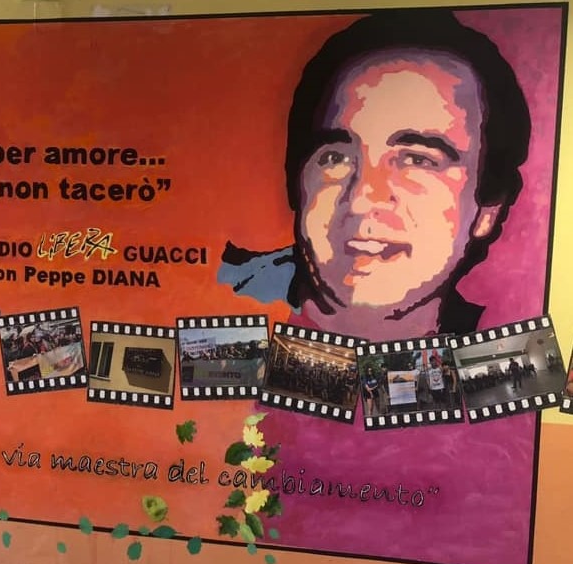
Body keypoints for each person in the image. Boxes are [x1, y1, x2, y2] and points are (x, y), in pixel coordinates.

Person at [218, 10, 531, 340]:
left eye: (417, 160)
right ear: (297, 182)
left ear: (488, 210)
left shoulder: (503, 346)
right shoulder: (222, 302)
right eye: (335, 158)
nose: (362, 198)